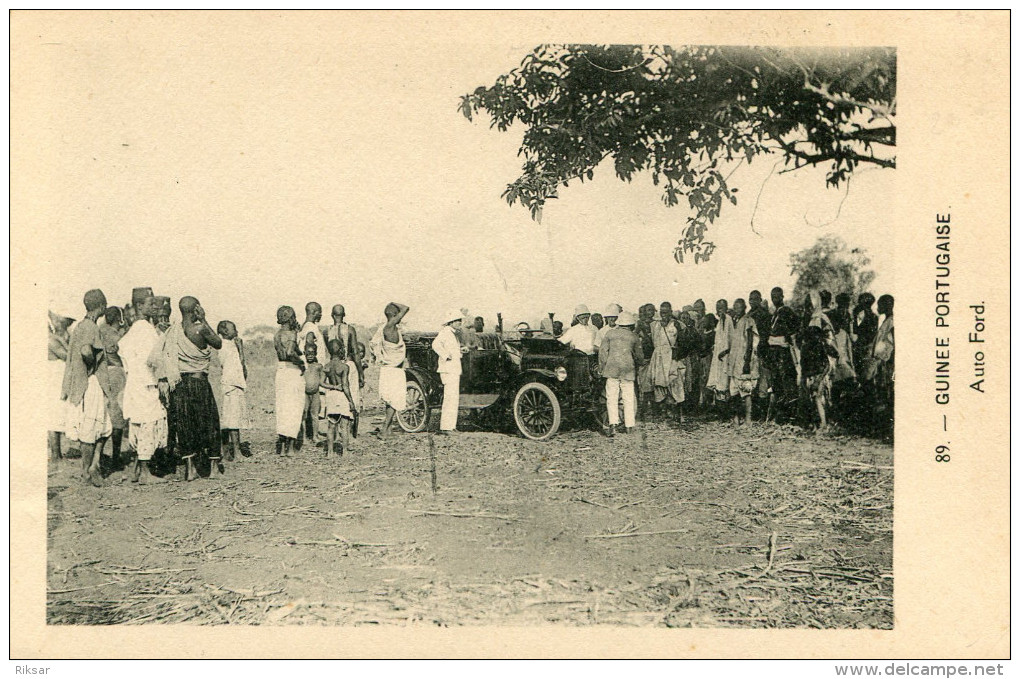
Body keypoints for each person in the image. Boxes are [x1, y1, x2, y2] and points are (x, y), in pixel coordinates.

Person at [149, 296, 223, 481]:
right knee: (210, 423)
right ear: (197, 308)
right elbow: (218, 343)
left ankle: (190, 470)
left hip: (180, 385)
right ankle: (213, 469)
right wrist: (204, 318)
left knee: (185, 425)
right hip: (199, 383)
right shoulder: (200, 328)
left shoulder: (173, 331)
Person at [61, 289, 112, 487]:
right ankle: (88, 470)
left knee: (101, 427)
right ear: (101, 306)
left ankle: (93, 465)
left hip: (82, 382)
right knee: (92, 429)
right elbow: (85, 350)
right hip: (91, 382)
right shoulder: (91, 327)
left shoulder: (80, 327)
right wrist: (91, 365)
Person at [120, 290, 168, 483]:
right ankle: (146, 473)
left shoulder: (135, 328)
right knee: (149, 422)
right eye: (151, 304)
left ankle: (137, 469)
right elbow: (155, 359)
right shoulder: (144, 329)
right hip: (146, 383)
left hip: (135, 382)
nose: (155, 307)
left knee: (139, 423)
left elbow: (122, 352)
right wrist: (162, 379)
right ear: (140, 306)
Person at [599, 311, 644, 435]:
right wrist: (639, 364)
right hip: (628, 370)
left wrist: (602, 368)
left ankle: (613, 424)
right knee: (628, 398)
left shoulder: (609, 334)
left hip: (611, 369)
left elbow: (603, 353)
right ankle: (629, 426)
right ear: (631, 324)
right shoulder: (634, 336)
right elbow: (639, 356)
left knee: (611, 397)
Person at [801, 290, 839, 432]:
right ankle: (820, 424)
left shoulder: (820, 318)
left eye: (810, 305)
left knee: (821, 393)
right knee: (815, 394)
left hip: (823, 359)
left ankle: (825, 424)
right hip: (814, 359)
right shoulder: (811, 319)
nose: (808, 308)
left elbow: (829, 342)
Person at [325, 304, 365, 435]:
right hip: (349, 365)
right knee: (353, 396)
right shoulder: (350, 329)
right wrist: (360, 373)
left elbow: (331, 349)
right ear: (344, 315)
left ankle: (335, 429)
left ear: (332, 315)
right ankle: (352, 431)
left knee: (336, 395)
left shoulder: (327, 331)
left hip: (334, 366)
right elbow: (355, 353)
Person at [371, 302, 410, 437]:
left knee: (390, 401)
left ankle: (388, 430)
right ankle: (384, 429)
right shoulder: (390, 327)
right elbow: (406, 308)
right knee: (395, 401)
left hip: (387, 369)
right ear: (394, 316)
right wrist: (393, 303)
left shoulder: (384, 329)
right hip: (394, 370)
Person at [763, 287, 800, 424]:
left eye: (777, 296)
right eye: (772, 296)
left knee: (787, 381)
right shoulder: (775, 313)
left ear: (782, 296)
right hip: (774, 351)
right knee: (777, 382)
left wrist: (787, 337)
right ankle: (781, 415)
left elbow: (795, 326)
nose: (774, 299)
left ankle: (792, 416)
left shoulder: (786, 311)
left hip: (782, 351)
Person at [272, 305, 305, 456]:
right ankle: (290, 448)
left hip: (281, 371)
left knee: (283, 409)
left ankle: (282, 446)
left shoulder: (277, 334)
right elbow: (290, 352)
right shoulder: (291, 334)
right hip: (292, 371)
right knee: (294, 408)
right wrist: (301, 363)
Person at [99, 306, 127, 472]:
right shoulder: (117, 335)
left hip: (103, 373)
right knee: (117, 416)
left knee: (105, 415)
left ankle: (101, 456)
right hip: (116, 373)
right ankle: (116, 457)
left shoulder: (101, 331)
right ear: (119, 318)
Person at [216, 320, 249, 462]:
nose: (236, 331)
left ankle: (226, 452)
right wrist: (241, 348)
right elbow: (241, 366)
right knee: (233, 420)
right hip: (232, 385)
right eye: (233, 329)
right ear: (225, 331)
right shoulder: (226, 346)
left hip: (232, 384)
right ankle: (236, 452)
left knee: (228, 419)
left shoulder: (228, 346)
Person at [649, 301, 685, 424]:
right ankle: (664, 413)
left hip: (671, 358)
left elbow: (683, 341)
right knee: (659, 385)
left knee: (675, 383)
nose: (663, 315)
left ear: (670, 312)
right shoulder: (654, 325)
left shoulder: (677, 324)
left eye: (666, 312)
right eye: (662, 312)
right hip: (658, 358)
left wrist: (678, 353)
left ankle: (678, 413)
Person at [434, 309, 467, 435]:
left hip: (453, 369)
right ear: (451, 322)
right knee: (450, 398)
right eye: (457, 321)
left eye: (460, 320)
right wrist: (446, 355)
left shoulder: (452, 334)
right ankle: (446, 427)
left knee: (453, 398)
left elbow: (452, 349)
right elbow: (435, 345)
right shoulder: (445, 333)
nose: (460, 323)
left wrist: (460, 350)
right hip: (448, 369)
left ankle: (451, 426)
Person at [48, 309, 75, 461]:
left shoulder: (57, 338)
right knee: (54, 417)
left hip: (58, 379)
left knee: (57, 415)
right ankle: (55, 455)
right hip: (54, 381)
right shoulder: (51, 340)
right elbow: (67, 356)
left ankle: (57, 454)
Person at [728, 298, 759, 425]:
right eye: (735, 308)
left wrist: (747, 360)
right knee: (734, 390)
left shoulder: (748, 320)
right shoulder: (735, 321)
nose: (736, 310)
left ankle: (748, 419)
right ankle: (736, 418)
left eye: (739, 307)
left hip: (744, 360)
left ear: (744, 308)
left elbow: (751, 340)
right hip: (735, 360)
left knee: (746, 390)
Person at [321, 338, 355, 457]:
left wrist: (333, 387)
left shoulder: (327, 366)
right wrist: (351, 401)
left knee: (331, 425)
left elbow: (321, 383)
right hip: (341, 396)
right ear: (340, 350)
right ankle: (344, 451)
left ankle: (330, 452)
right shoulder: (344, 367)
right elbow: (345, 386)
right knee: (344, 426)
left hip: (331, 395)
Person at [706, 299, 734, 413]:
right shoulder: (719, 322)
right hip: (718, 356)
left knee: (724, 383)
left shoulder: (728, 320)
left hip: (725, 356)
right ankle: (720, 411)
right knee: (717, 382)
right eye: (717, 308)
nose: (719, 310)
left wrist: (726, 351)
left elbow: (732, 340)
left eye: (721, 307)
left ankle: (725, 412)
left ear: (726, 308)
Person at [634, 303, 657, 413]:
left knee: (653, 381)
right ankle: (644, 407)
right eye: (648, 310)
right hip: (645, 355)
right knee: (645, 381)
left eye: (652, 310)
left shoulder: (656, 323)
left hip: (654, 354)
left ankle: (653, 406)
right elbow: (635, 336)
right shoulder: (640, 324)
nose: (651, 313)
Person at [301, 342, 325, 446]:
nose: (310, 355)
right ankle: (304, 437)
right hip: (304, 394)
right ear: (304, 353)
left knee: (315, 415)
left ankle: (315, 436)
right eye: (308, 353)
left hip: (315, 393)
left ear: (316, 353)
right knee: (304, 414)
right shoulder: (302, 366)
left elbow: (322, 379)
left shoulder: (318, 366)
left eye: (312, 353)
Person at [852, 292, 879, 377]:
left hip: (860, 346)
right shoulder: (874, 316)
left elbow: (855, 331)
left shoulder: (859, 315)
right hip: (869, 347)